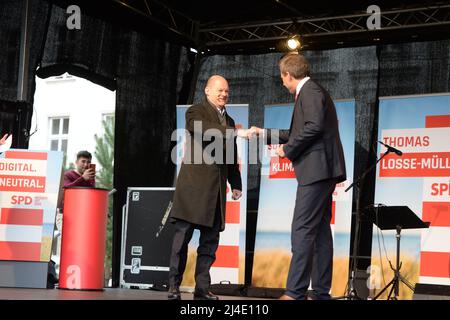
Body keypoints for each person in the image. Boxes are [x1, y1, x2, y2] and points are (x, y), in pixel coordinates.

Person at [252, 53, 346, 300]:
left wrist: (288, 150)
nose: (281, 82)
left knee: (302, 229)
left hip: (316, 170)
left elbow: (312, 127)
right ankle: (321, 293)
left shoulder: (310, 92)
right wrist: (262, 133)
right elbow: (297, 131)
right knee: (320, 231)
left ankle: (295, 292)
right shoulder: (311, 91)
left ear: (288, 75)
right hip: (322, 170)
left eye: (281, 77)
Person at [168, 75, 251, 300]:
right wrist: (234, 132)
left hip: (215, 192)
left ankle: (202, 290)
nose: (224, 94)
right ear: (207, 91)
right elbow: (202, 129)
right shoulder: (195, 111)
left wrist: (236, 183)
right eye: (219, 90)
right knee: (181, 241)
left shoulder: (230, 120)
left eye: (227, 91)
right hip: (192, 189)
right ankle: (174, 286)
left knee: (209, 244)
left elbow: (231, 155)